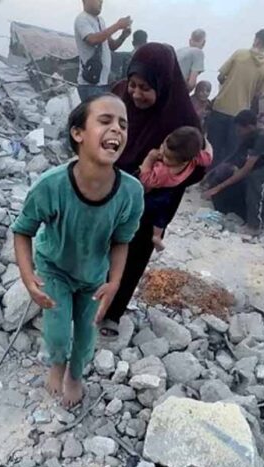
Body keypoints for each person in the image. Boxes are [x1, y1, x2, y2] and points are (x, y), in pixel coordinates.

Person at [12, 94, 144, 406]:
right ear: (78, 133)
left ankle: (75, 374)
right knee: (58, 332)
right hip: (55, 268)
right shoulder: (50, 186)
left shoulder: (131, 192)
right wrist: (29, 278)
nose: (117, 129)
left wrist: (114, 283)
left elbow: (122, 240)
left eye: (123, 124)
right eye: (105, 121)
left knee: (86, 337)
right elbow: (22, 231)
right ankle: (58, 364)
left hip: (93, 276)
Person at [103, 42, 203, 332]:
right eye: (133, 85)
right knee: (96, 245)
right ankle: (85, 301)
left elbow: (198, 167)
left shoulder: (181, 117)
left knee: (132, 253)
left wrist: (164, 174)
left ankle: (112, 312)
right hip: (109, 188)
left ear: (163, 83)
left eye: (145, 88)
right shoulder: (119, 95)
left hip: (149, 204)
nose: (135, 93)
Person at [206, 29, 264, 166]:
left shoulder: (240, 54)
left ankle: (205, 177)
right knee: (230, 153)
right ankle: (221, 178)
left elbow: (221, 76)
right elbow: (259, 94)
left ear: (257, 39)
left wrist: (229, 83)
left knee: (212, 150)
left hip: (221, 107)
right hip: (241, 115)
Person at [139, 126, 213, 250]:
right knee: (161, 218)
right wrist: (206, 142)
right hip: (170, 195)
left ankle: (154, 235)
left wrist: (149, 159)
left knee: (149, 212)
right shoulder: (195, 159)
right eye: (164, 149)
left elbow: (146, 180)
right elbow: (208, 157)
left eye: (168, 158)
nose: (163, 156)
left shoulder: (164, 172)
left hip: (157, 194)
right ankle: (157, 236)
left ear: (183, 161)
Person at [74, 0, 133, 101]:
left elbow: (112, 46)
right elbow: (93, 39)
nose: (101, 2)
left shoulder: (100, 21)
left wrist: (123, 36)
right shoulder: (82, 19)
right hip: (90, 84)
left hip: (102, 83)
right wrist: (118, 25)